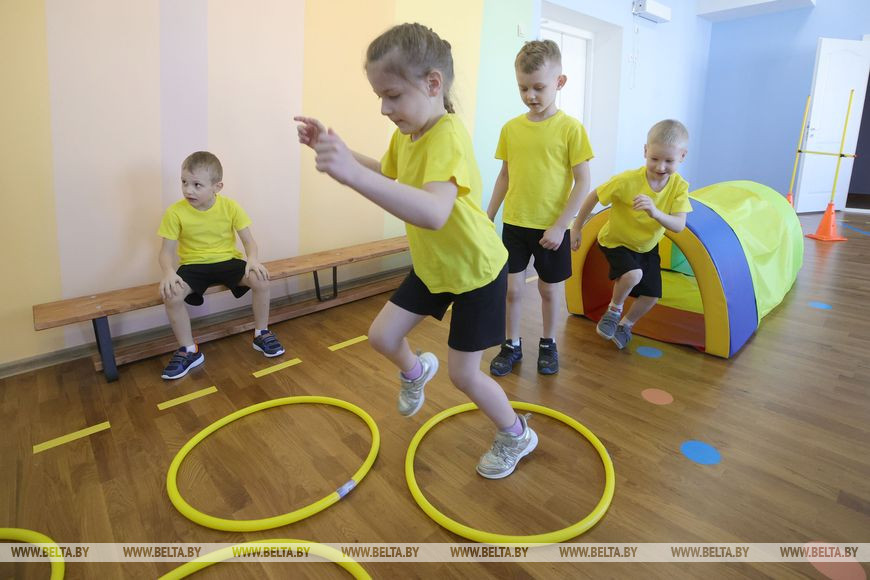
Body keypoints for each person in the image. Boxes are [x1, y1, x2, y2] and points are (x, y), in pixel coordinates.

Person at [295, 23, 536, 479]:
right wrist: (340, 152)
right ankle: (414, 371)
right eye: (379, 97)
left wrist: (350, 175)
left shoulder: (448, 136)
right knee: (382, 337)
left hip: (476, 271)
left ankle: (516, 433)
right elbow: (389, 174)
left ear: (432, 83)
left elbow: (433, 212)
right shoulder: (407, 135)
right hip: (434, 266)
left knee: (464, 376)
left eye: (392, 95)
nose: (384, 109)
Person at [486, 39, 593, 376]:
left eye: (538, 87)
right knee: (512, 290)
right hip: (515, 223)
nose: (530, 95)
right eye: (523, 88)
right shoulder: (510, 129)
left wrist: (561, 225)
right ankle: (511, 344)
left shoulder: (571, 129)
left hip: (552, 228)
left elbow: (583, 182)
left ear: (559, 82)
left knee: (548, 290)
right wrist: (488, 214)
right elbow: (505, 176)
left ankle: (548, 343)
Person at [157, 151, 284, 380]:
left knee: (261, 278)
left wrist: (252, 259)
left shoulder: (230, 207)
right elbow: (165, 253)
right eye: (184, 182)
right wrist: (168, 272)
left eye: (197, 185)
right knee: (171, 294)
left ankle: (261, 333)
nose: (188, 190)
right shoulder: (175, 212)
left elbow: (250, 243)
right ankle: (189, 350)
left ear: (217, 186)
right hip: (193, 265)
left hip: (227, 261)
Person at [573, 119, 692, 350]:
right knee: (633, 274)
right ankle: (613, 311)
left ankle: (625, 325)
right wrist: (577, 227)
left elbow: (679, 225)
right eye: (654, 159)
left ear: (682, 156)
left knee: (652, 296)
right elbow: (595, 195)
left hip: (647, 246)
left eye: (669, 161)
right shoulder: (627, 180)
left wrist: (655, 212)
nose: (660, 167)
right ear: (645, 151)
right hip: (615, 241)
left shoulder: (679, 187)